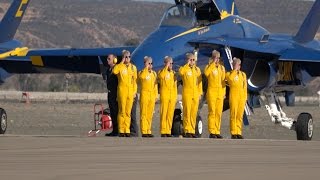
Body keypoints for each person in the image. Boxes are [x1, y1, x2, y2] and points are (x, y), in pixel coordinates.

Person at [112, 50, 137, 137]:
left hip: (130, 92)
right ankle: (121, 130)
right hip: (122, 91)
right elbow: (114, 71)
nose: (128, 58)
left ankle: (127, 130)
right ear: (123, 57)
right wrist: (121, 62)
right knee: (122, 111)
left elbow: (134, 81)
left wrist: (134, 92)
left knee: (128, 112)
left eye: (129, 57)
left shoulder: (133, 68)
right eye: (126, 57)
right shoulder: (119, 67)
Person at [179, 53, 202, 138]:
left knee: (193, 112)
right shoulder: (184, 69)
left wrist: (200, 93)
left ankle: (192, 130)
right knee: (187, 112)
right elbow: (181, 73)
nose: (192, 61)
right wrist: (187, 64)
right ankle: (187, 130)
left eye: (193, 60)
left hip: (195, 93)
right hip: (187, 93)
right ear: (187, 60)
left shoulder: (197, 70)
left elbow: (199, 82)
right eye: (190, 60)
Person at [204, 50, 226, 139]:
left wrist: (224, 93)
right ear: (212, 58)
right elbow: (206, 73)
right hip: (212, 92)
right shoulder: (209, 67)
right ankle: (212, 131)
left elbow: (223, 81)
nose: (217, 60)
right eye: (215, 58)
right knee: (212, 112)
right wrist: (213, 64)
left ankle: (217, 130)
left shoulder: (222, 68)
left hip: (220, 93)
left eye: (218, 58)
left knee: (218, 113)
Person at [226, 57, 247, 139]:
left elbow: (245, 87)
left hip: (241, 97)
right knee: (233, 114)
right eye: (235, 64)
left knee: (239, 115)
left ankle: (239, 131)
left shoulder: (243, 75)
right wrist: (234, 70)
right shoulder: (229, 74)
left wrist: (245, 98)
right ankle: (233, 132)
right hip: (234, 96)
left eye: (237, 64)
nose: (236, 66)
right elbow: (230, 80)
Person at [158, 56, 177, 137]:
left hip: (172, 96)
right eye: (169, 63)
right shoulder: (162, 72)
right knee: (164, 113)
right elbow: (161, 76)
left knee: (170, 114)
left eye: (172, 63)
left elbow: (175, 86)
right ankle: (163, 131)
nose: (171, 65)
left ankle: (168, 131)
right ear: (165, 63)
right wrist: (166, 67)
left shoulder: (173, 73)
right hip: (165, 95)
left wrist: (175, 96)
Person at [138, 56, 158, 137]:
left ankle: (148, 130)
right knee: (144, 114)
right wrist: (146, 68)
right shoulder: (142, 72)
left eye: (151, 63)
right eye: (148, 63)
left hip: (151, 95)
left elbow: (155, 85)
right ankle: (144, 131)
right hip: (144, 94)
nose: (150, 65)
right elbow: (142, 77)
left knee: (150, 114)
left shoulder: (154, 73)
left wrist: (156, 95)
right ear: (145, 64)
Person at [105, 54, 119, 136]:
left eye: (109, 59)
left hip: (116, 93)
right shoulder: (108, 70)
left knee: (117, 112)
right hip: (110, 93)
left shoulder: (117, 69)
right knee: (112, 113)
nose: (107, 60)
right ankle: (114, 131)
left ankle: (119, 130)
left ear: (115, 60)